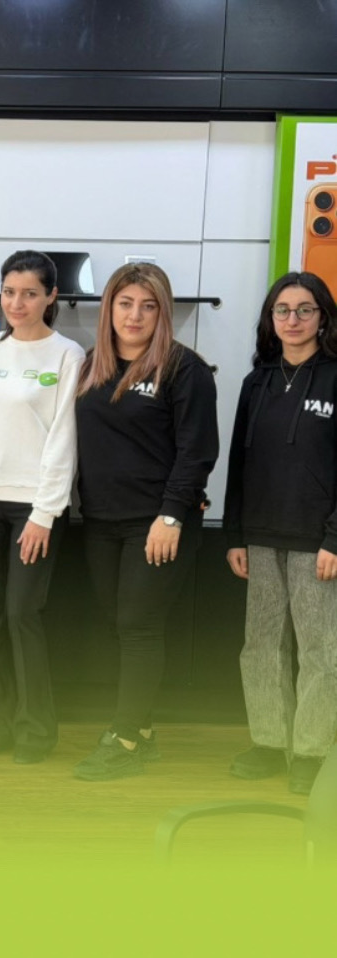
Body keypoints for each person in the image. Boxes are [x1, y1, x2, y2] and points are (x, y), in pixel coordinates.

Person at [73, 262, 218, 780]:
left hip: (156, 523)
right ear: (109, 308)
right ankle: (144, 730)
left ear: (163, 312)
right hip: (101, 520)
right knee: (120, 625)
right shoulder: (93, 365)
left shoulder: (184, 369)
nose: (134, 316)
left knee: (138, 626)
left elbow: (197, 451)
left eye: (148, 306)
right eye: (125, 303)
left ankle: (126, 738)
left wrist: (172, 515)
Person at [0, 250, 84, 764]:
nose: (17, 303)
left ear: (51, 296)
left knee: (22, 614)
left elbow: (64, 438)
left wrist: (44, 512)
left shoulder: (67, 354)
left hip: (33, 507)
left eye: (30, 293)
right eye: (9, 292)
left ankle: (35, 730)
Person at [224, 272, 337, 795]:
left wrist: (335, 538)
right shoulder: (257, 382)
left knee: (320, 650)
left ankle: (311, 751)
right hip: (261, 535)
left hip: (318, 541)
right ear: (270, 320)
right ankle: (269, 742)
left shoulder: (335, 377)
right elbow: (239, 463)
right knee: (262, 645)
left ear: (323, 317)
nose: (293, 320)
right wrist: (234, 534)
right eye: (282, 310)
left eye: (305, 309)